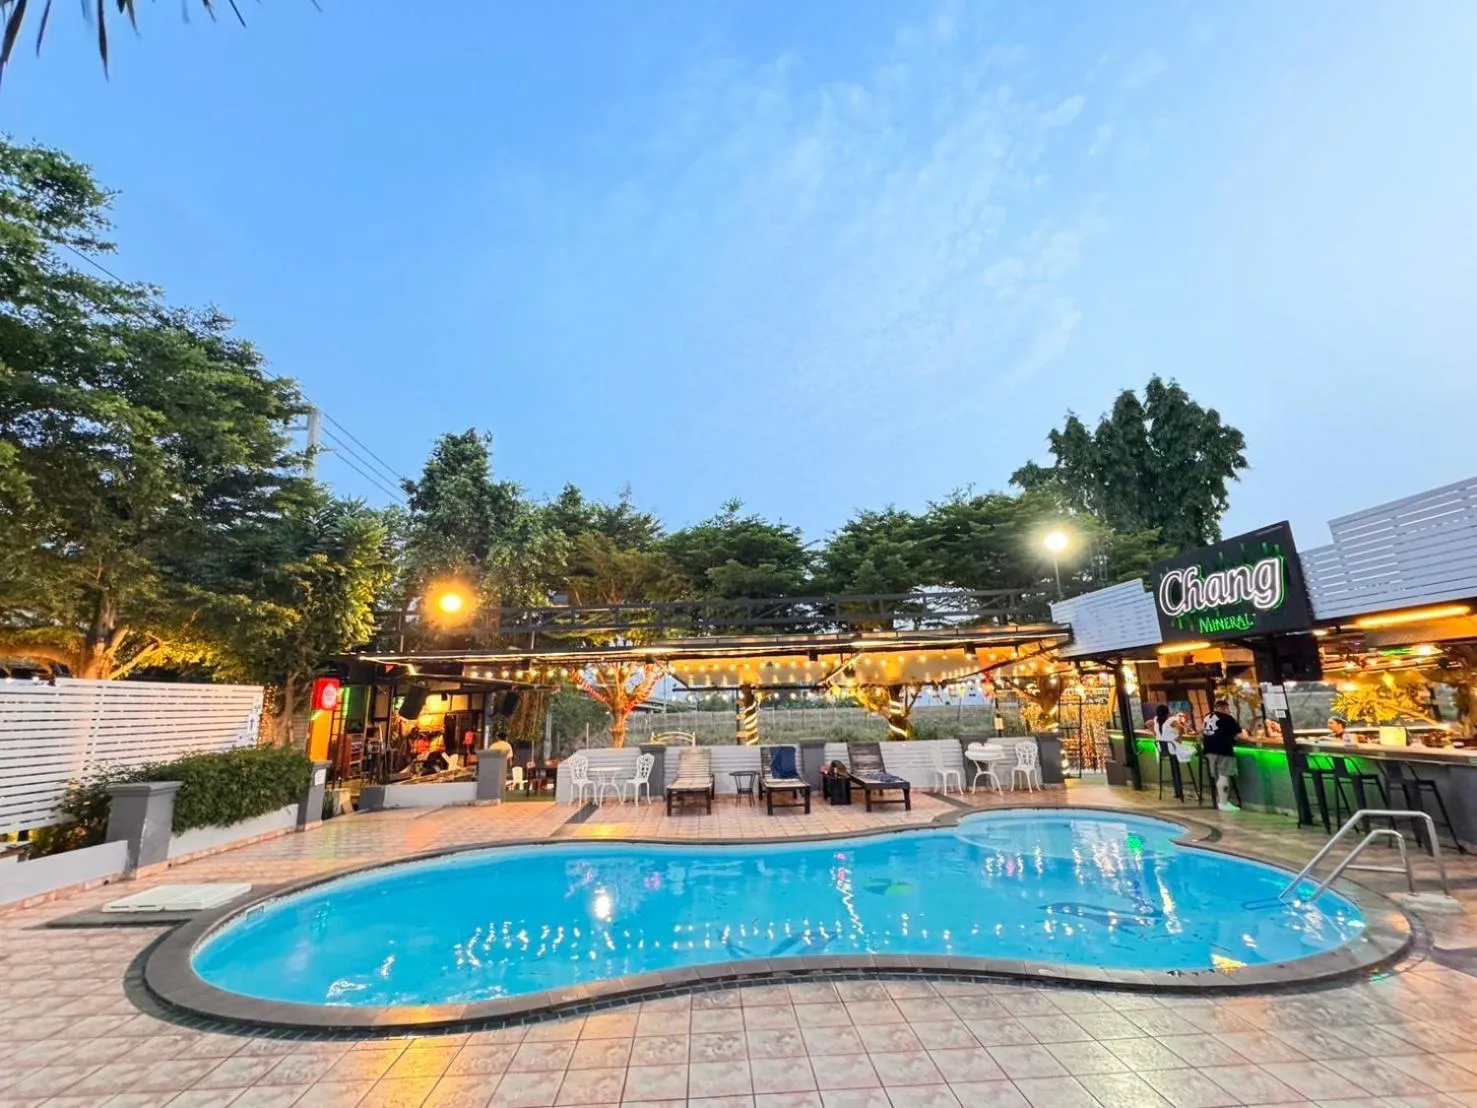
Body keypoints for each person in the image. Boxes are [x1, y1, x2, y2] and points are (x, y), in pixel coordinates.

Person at [1202, 699, 1244, 812]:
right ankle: (1223, 803)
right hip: (1223, 749)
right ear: (1224, 708)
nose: (1228, 711)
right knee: (1224, 775)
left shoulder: (1207, 716)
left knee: (1217, 776)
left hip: (1209, 749)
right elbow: (1241, 735)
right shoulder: (1227, 718)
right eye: (1227, 709)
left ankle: (1220, 800)